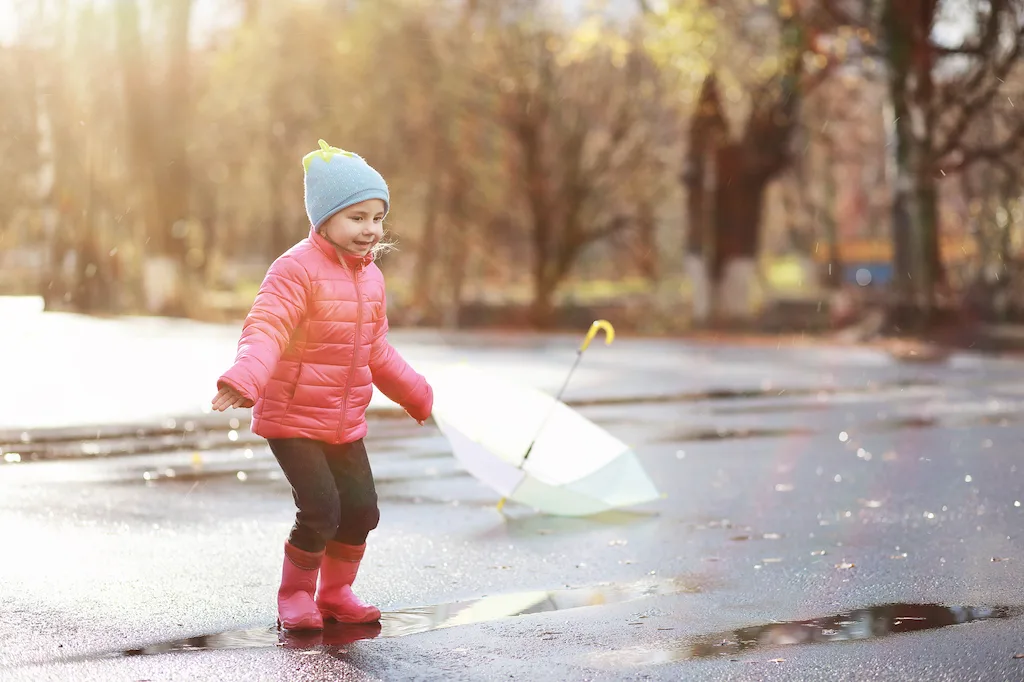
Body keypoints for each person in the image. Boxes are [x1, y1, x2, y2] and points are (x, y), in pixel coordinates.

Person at [212, 140, 433, 631]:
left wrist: (415, 392)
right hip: (291, 418)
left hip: (343, 418)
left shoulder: (371, 277)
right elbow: (266, 327)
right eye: (357, 218)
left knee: (361, 511)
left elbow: (376, 351)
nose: (370, 230)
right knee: (320, 510)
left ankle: (335, 593)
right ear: (325, 218)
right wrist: (245, 376)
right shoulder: (294, 269)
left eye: (377, 218)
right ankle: (294, 596)